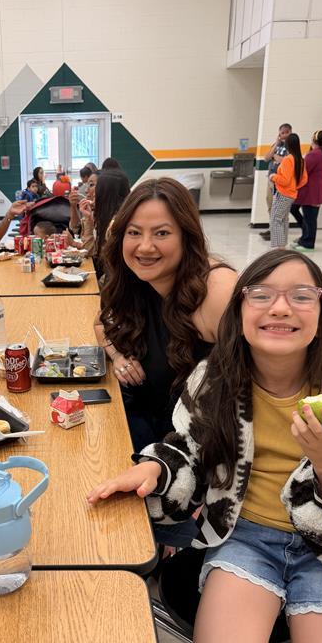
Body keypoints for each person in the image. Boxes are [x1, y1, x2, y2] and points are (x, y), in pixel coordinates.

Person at [87, 249, 322, 643]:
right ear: (240, 311)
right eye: (263, 295)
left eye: (301, 296)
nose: (281, 308)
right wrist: (154, 468)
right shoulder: (215, 379)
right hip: (246, 538)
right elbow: (182, 448)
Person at [95, 178, 237, 456]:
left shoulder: (216, 291)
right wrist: (118, 358)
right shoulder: (131, 280)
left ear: (187, 235)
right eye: (134, 232)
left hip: (194, 451)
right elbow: (100, 323)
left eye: (161, 233)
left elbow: (263, 386)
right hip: (142, 426)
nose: (145, 247)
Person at [290, 130, 322, 252]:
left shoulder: (314, 154)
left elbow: (303, 171)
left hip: (311, 191)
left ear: (314, 140)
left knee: (310, 218)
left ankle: (308, 243)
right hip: (315, 190)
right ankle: (305, 236)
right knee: (296, 209)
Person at [269, 133, 307, 249]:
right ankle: (282, 246)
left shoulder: (287, 160)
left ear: (288, 145)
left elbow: (284, 181)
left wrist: (273, 176)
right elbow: (304, 179)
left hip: (283, 194)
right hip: (292, 194)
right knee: (283, 219)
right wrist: (294, 186)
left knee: (276, 219)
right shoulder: (300, 160)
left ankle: (280, 248)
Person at [260, 123, 291, 240]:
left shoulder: (291, 146)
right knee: (270, 203)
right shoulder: (277, 145)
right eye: (281, 133)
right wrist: (276, 144)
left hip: (282, 181)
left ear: (290, 133)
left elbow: (288, 161)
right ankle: (272, 228)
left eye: (286, 132)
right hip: (271, 179)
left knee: (281, 208)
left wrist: (277, 158)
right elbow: (266, 157)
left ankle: (280, 232)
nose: (283, 135)